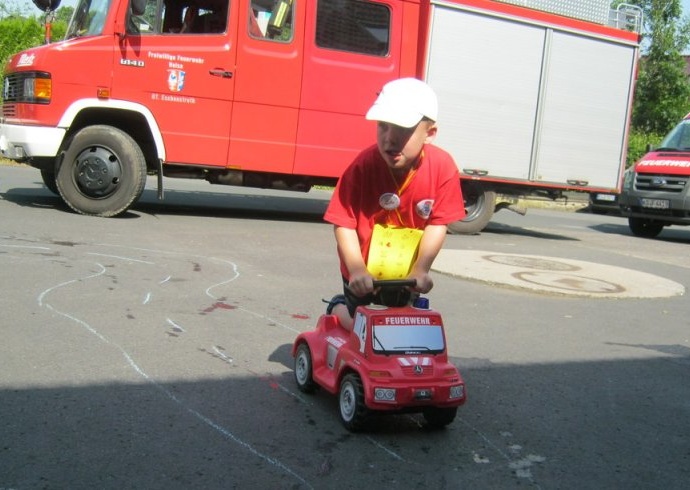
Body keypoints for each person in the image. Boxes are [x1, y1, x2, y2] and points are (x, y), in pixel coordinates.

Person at [324, 77, 466, 330]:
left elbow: (437, 223)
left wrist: (421, 268)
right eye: (382, 126)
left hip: (406, 272)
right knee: (362, 327)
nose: (389, 138)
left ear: (430, 133)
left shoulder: (443, 167)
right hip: (363, 272)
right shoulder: (363, 165)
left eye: (402, 129)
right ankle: (337, 307)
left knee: (399, 325)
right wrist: (356, 269)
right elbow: (343, 222)